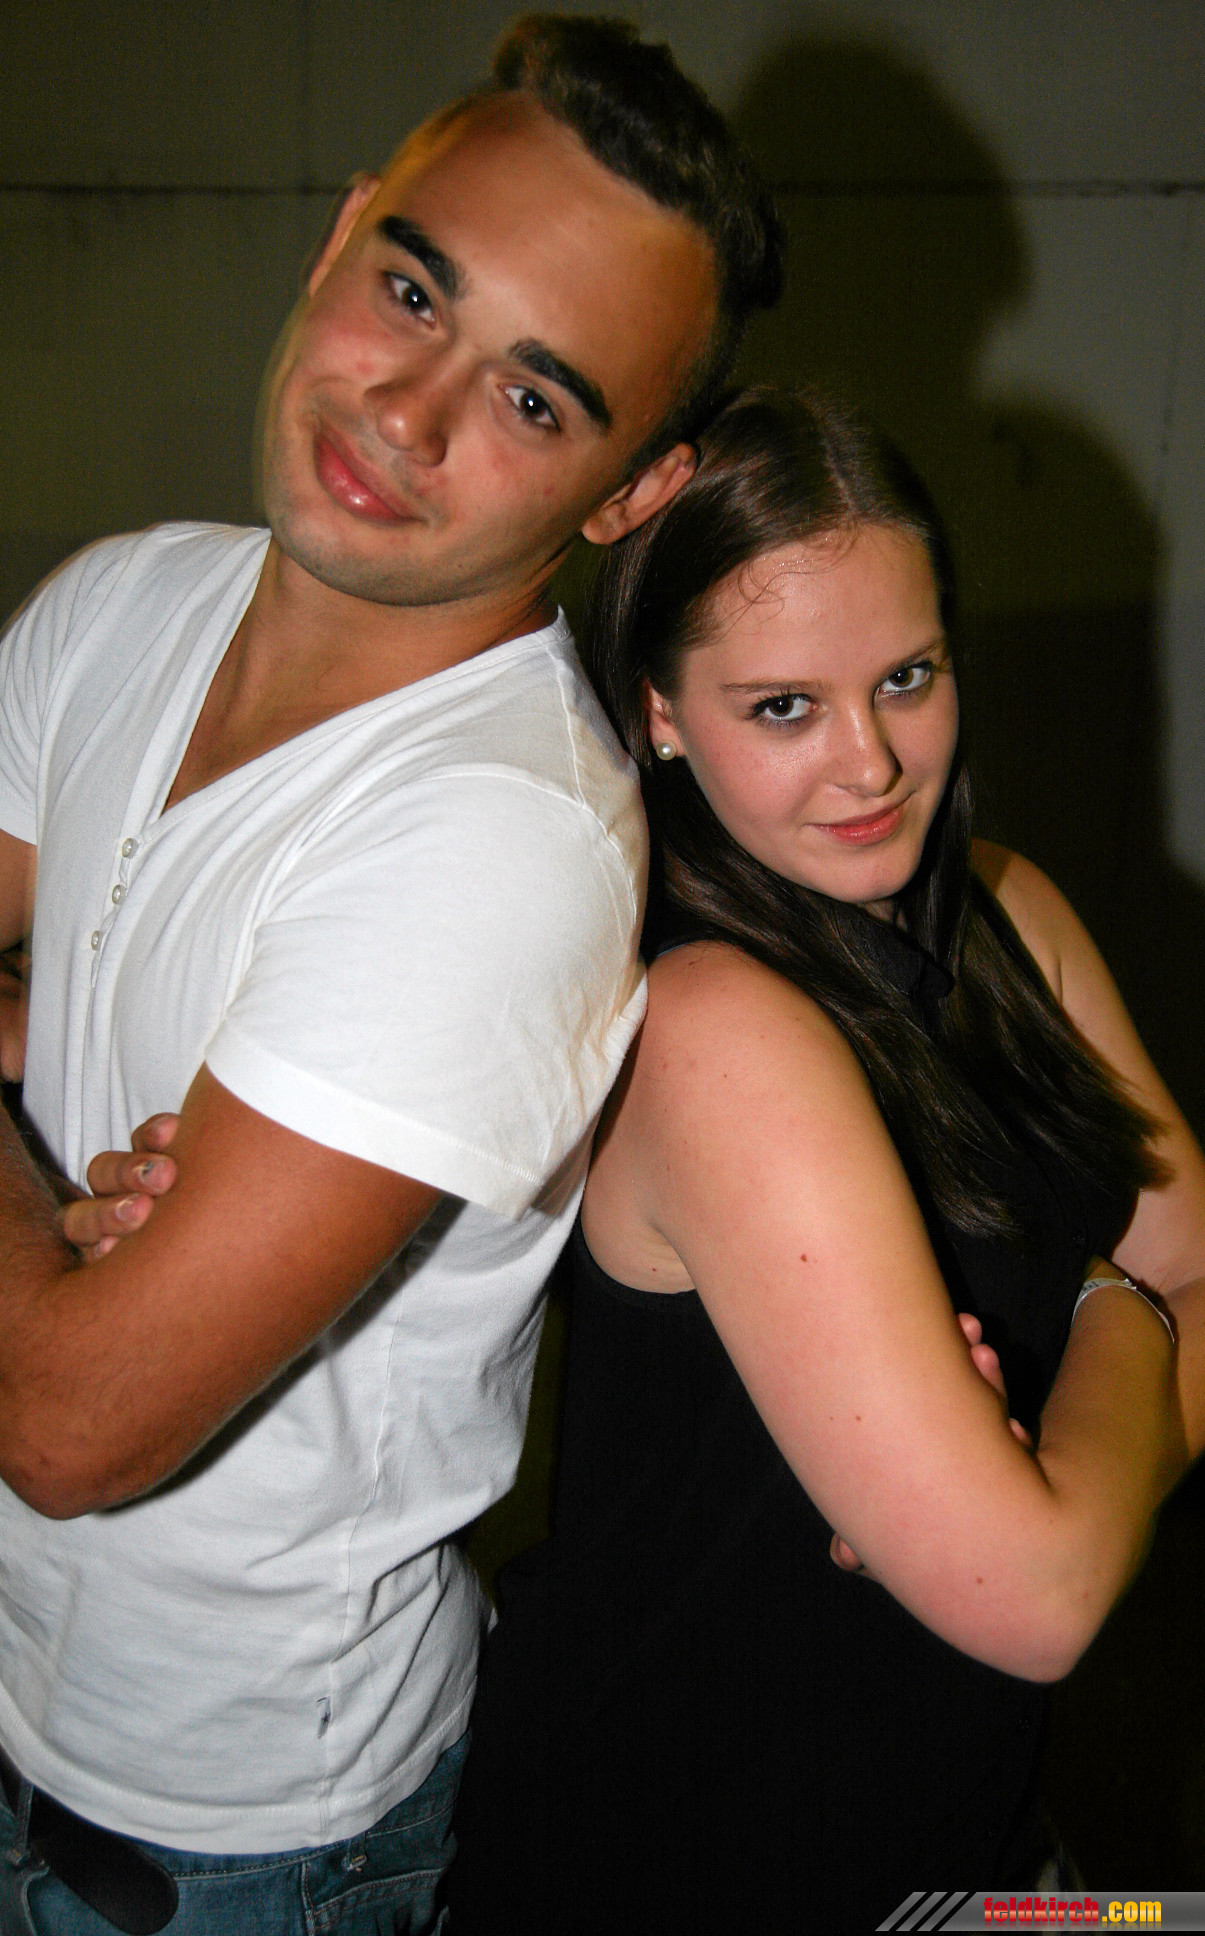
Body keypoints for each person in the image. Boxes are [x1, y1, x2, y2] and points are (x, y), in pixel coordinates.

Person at [0, 18, 781, 1933]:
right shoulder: (122, 600)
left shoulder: (502, 840)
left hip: (229, 1835)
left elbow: (71, 1422)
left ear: (629, 494)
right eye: (412, 291)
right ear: (341, 232)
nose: (407, 415)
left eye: (534, 399)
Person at [442, 387, 1205, 1933]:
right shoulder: (708, 1025)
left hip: (965, 1835)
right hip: (689, 1860)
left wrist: (1045, 1472)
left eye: (907, 677)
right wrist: (1115, 1324)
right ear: (660, 713)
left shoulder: (1013, 917)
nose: (870, 763)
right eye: (783, 708)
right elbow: (1043, 1595)